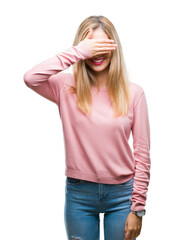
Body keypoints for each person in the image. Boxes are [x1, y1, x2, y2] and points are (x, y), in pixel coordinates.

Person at [23, 15, 151, 240]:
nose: (97, 53)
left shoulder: (134, 93)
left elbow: (142, 154)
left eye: (103, 45)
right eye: (91, 46)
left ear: (115, 47)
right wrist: (77, 52)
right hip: (79, 195)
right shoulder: (65, 87)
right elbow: (31, 78)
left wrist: (137, 207)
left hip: (122, 196)